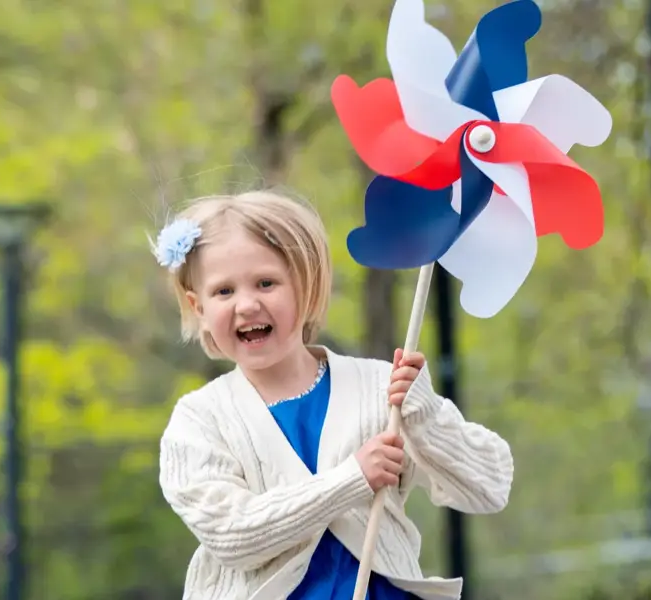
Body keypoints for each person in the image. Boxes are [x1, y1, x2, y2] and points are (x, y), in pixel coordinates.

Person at [154, 190, 514, 600]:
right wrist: (352, 478)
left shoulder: (381, 388)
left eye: (266, 283)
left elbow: (490, 485)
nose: (247, 304)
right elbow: (233, 536)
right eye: (223, 292)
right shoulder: (200, 420)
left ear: (305, 287)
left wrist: (423, 415)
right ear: (196, 306)